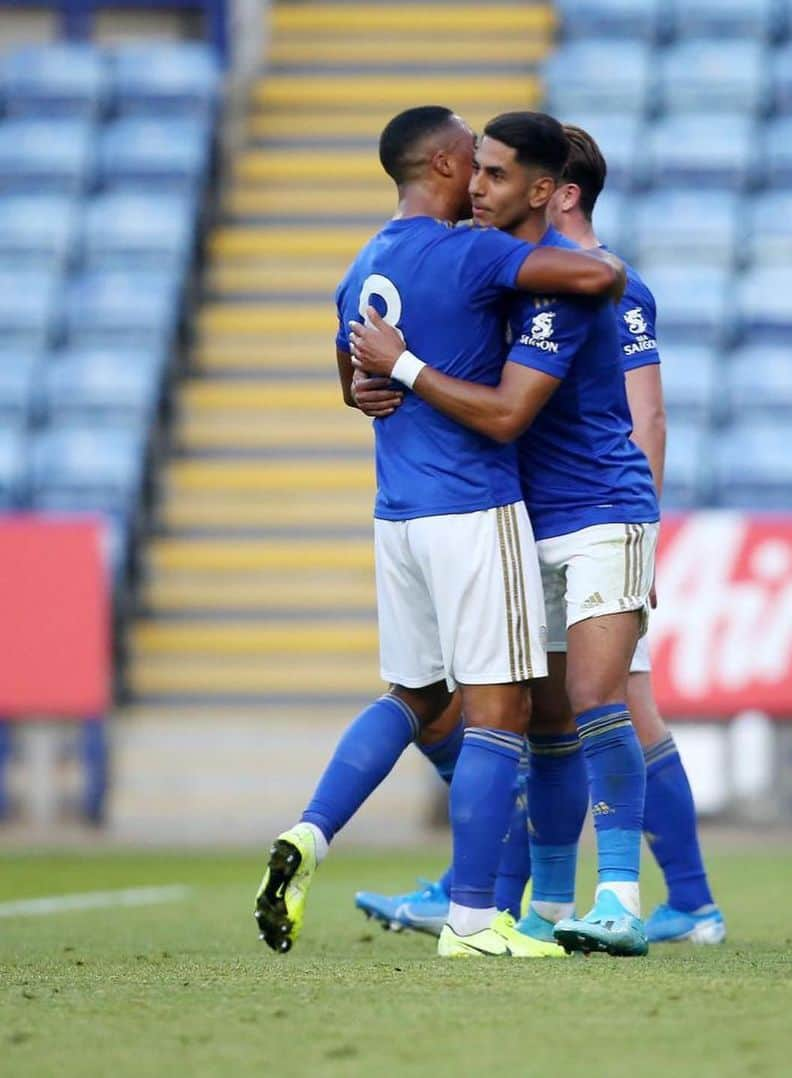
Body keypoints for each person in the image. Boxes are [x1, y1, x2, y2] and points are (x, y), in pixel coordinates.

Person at [253, 105, 624, 960]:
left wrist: (370, 385)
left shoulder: (366, 260)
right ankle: (472, 921)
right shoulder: (472, 252)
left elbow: (350, 370)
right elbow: (594, 280)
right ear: (449, 165)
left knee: (415, 697)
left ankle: (310, 832)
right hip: (471, 507)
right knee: (504, 708)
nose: (484, 180)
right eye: (477, 164)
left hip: (396, 517)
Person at [353, 124, 726, 946]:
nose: (476, 188)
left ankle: (627, 902)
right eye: (474, 172)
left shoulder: (594, 288)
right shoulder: (500, 277)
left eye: (494, 174)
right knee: (544, 724)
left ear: (546, 189)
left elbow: (635, 412)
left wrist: (648, 535)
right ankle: (548, 905)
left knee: (604, 701)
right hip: (526, 521)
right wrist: (365, 383)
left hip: (603, 513)